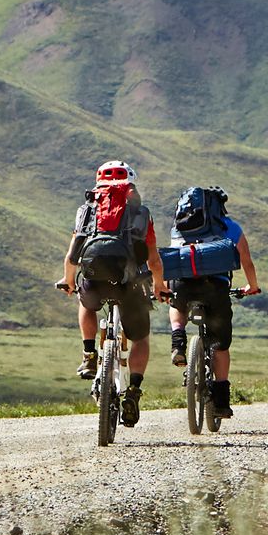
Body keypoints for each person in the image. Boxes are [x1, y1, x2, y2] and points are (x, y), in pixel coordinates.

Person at [56, 159, 164, 426]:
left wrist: (69, 280)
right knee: (140, 339)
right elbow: (153, 258)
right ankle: (134, 392)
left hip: (94, 278)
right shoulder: (141, 212)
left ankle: (90, 353)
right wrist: (159, 285)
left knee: (87, 302)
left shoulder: (88, 209)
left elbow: (73, 254)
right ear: (130, 184)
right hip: (130, 283)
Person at [167, 192, 260, 418]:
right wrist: (252, 286)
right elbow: (246, 260)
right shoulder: (230, 226)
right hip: (215, 289)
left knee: (177, 305)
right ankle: (220, 402)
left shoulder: (179, 226)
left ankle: (178, 341)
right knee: (221, 345)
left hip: (183, 286)